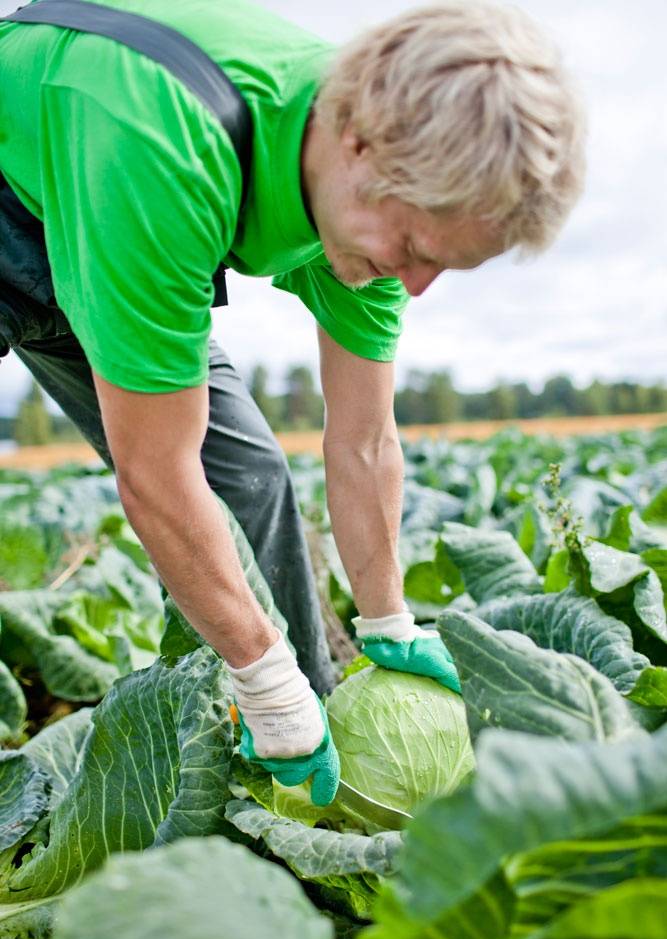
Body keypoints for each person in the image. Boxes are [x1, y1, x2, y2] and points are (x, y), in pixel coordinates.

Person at [0, 0, 585, 804]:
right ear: (355, 145)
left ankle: (294, 758)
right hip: (40, 173)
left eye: (443, 264)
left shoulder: (374, 184)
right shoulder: (168, 146)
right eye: (413, 250)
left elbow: (365, 443)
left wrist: (387, 620)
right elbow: (154, 473)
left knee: (248, 481)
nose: (413, 283)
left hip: (113, 200)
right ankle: (271, 698)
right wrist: (260, 674)